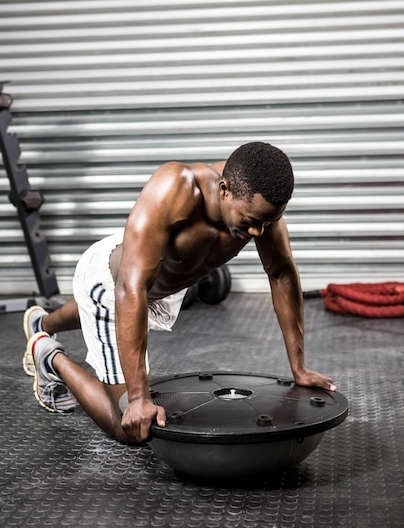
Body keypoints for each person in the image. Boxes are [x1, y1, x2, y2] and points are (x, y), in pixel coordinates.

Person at [23, 141, 336, 445]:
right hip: (113, 282)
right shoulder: (176, 187)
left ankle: (43, 323)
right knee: (131, 427)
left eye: (269, 222)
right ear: (225, 189)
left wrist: (299, 368)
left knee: (94, 313)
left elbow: (281, 275)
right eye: (252, 222)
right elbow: (131, 287)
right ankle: (48, 355)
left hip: (157, 282)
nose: (259, 233)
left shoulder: (260, 217)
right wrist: (137, 397)